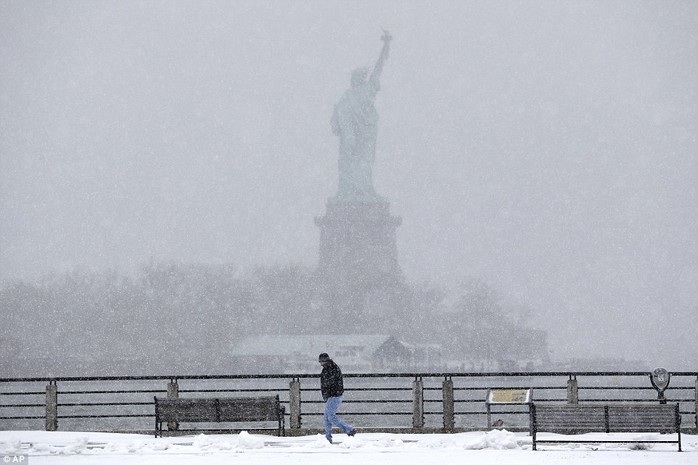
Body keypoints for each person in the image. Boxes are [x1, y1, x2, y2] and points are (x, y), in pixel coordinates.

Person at [331, 31, 392, 203]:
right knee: (351, 164)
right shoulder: (347, 97)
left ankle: (363, 190)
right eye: (354, 76)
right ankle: (349, 192)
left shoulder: (368, 89)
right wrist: (343, 128)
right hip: (352, 140)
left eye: (356, 76)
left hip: (365, 137)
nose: (354, 78)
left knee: (364, 165)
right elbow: (337, 119)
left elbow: (379, 68)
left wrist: (385, 47)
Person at [318, 352, 355, 443]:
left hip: (333, 396)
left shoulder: (330, 369)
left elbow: (329, 383)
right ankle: (328, 438)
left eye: (321, 361)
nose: (320, 363)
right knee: (327, 418)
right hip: (332, 396)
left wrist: (328, 393)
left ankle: (349, 430)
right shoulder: (331, 367)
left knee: (331, 418)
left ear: (324, 361)